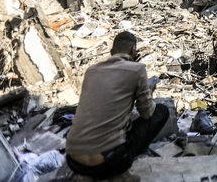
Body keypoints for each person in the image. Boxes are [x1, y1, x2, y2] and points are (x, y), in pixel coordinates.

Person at [66, 31, 169, 182]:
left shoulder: (91, 71)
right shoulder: (137, 69)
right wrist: (149, 92)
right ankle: (121, 174)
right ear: (133, 50)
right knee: (161, 111)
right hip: (109, 161)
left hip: (73, 160)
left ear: (111, 52)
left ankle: (90, 176)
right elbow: (147, 113)